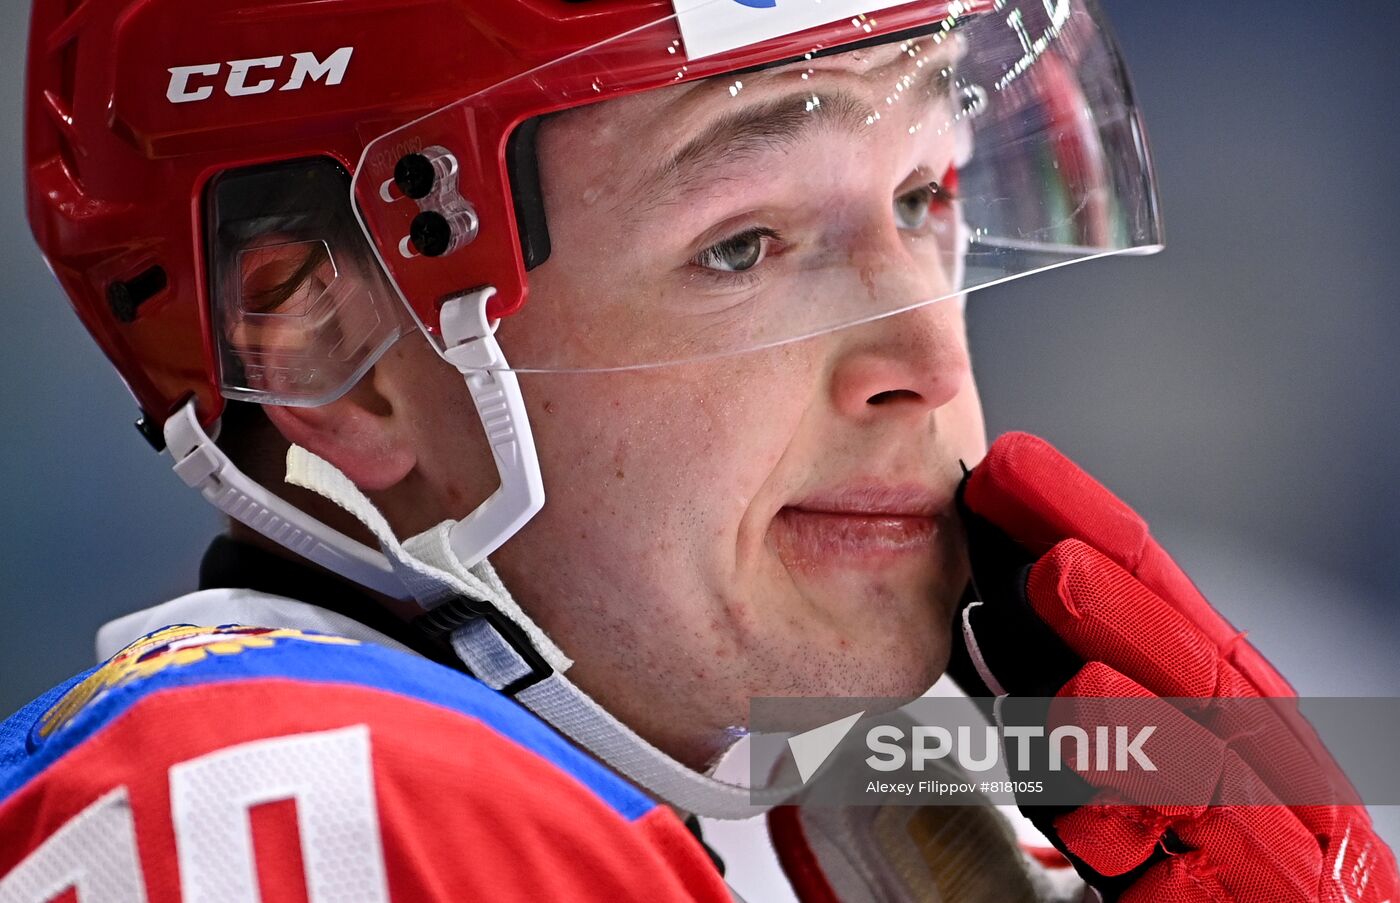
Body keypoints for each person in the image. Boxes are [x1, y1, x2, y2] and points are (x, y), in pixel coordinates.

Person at [3, 0, 1392, 899]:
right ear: (335, 359)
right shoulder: (303, 803)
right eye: (746, 246)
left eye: (925, 195)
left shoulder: (883, 807)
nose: (926, 368)